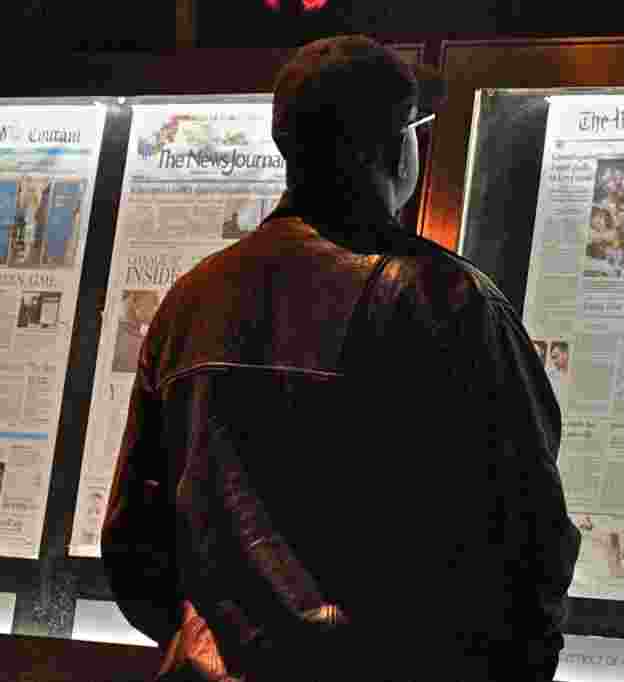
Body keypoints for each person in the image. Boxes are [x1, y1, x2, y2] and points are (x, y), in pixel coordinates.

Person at [101, 36, 580, 682]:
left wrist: (219, 642)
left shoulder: (193, 300)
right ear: (393, 150)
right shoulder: (447, 304)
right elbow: (531, 543)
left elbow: (133, 542)